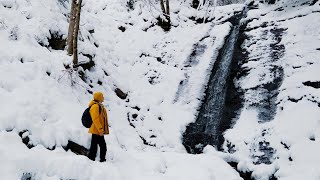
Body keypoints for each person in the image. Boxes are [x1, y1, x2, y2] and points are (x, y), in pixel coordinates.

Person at [88, 92, 109, 162]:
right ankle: (101, 160)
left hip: (98, 130)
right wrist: (100, 129)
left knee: (95, 146)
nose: (103, 97)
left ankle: (92, 159)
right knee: (102, 146)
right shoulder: (95, 106)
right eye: (102, 96)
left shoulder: (100, 106)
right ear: (99, 97)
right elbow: (95, 119)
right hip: (97, 130)